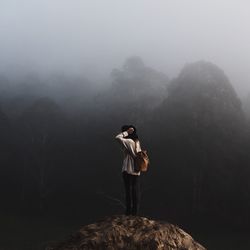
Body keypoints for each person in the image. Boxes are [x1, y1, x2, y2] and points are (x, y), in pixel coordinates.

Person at [115, 125, 142, 216]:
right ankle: (135, 212)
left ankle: (128, 212)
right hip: (136, 170)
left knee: (128, 190)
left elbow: (117, 137)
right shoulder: (137, 142)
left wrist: (126, 132)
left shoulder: (128, 141)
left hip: (128, 169)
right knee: (134, 190)